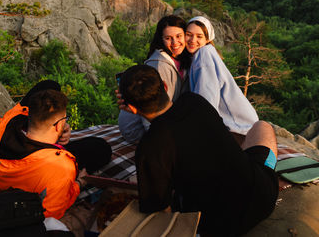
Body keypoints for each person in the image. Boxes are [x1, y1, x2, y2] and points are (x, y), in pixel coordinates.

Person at [119, 65, 278, 236]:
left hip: (221, 227)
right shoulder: (194, 101)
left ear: (132, 108)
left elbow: (161, 212)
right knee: (262, 126)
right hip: (263, 196)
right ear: (164, 86)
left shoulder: (149, 148)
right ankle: (268, 167)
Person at [0, 80, 112, 232]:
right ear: (59, 125)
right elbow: (51, 212)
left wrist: (59, 130)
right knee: (101, 149)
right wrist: (79, 183)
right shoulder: (61, 167)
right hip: (37, 172)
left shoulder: (3, 125)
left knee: (50, 84)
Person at [186, 16, 259, 144]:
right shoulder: (206, 53)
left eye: (199, 36)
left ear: (207, 39)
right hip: (246, 127)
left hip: (239, 129)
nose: (193, 40)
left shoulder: (204, 55)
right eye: (189, 35)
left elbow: (207, 99)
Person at [118, 15, 191, 143]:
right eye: (168, 38)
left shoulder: (183, 60)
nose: (175, 43)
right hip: (138, 127)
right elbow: (150, 107)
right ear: (161, 39)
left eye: (179, 36)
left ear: (185, 35)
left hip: (163, 121)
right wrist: (159, 139)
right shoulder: (159, 65)